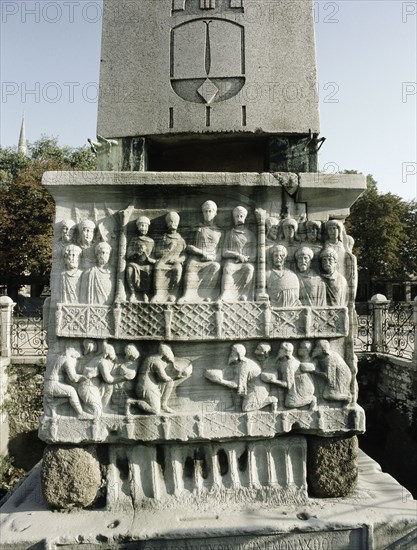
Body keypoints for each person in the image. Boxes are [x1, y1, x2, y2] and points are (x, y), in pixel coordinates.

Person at [206, 344, 277, 412]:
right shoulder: (240, 363)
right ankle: (236, 405)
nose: (231, 354)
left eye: (233, 352)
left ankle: (270, 400)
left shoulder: (244, 366)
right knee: (232, 386)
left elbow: (237, 385)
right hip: (250, 386)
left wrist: (220, 381)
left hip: (258, 389)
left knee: (246, 408)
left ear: (238, 354)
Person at [179, 200, 223, 303]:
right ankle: (186, 295)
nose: (207, 214)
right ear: (202, 213)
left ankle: (208, 295)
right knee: (190, 266)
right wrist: (202, 253)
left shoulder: (220, 232)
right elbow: (188, 247)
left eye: (210, 211)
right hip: (196, 258)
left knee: (216, 266)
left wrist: (212, 257)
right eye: (205, 211)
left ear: (215, 213)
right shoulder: (196, 229)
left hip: (211, 260)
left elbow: (221, 252)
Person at [128, 343, 191, 415]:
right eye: (170, 354)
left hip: (150, 386)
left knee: (170, 382)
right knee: (155, 411)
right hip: (146, 388)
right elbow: (164, 378)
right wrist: (179, 376)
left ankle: (163, 405)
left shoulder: (153, 358)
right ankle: (131, 402)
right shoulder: (156, 361)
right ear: (166, 354)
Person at [219, 206, 256, 302]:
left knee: (250, 268)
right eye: (237, 216)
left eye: (241, 216)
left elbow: (255, 255)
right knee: (228, 267)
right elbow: (224, 252)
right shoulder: (229, 234)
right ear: (233, 218)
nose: (239, 218)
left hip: (245, 262)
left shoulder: (251, 235)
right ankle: (225, 294)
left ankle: (244, 295)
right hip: (232, 261)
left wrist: (246, 258)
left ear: (245, 218)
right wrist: (237, 255)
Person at [44, 347, 91, 419]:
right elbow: (73, 378)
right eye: (76, 358)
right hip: (53, 385)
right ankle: (80, 413)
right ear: (73, 356)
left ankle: (53, 405)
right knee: (72, 392)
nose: (76, 361)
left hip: (48, 384)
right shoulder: (68, 360)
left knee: (70, 396)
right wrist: (85, 377)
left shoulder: (58, 357)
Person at [152, 212, 187, 303]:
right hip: (163, 260)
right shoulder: (163, 238)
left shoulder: (181, 239)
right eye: (170, 221)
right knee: (158, 267)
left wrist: (178, 260)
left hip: (175, 262)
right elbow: (157, 252)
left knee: (177, 269)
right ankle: (158, 294)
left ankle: (173, 293)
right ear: (167, 223)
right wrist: (168, 249)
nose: (172, 224)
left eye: (174, 221)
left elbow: (184, 255)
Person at [126, 216, 156, 303]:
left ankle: (145, 294)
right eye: (142, 225)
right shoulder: (134, 240)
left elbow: (154, 258)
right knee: (129, 270)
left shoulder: (151, 241)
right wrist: (136, 253)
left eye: (146, 226)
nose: (144, 228)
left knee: (148, 270)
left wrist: (147, 256)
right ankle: (132, 293)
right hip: (135, 264)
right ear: (138, 227)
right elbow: (128, 255)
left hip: (146, 264)